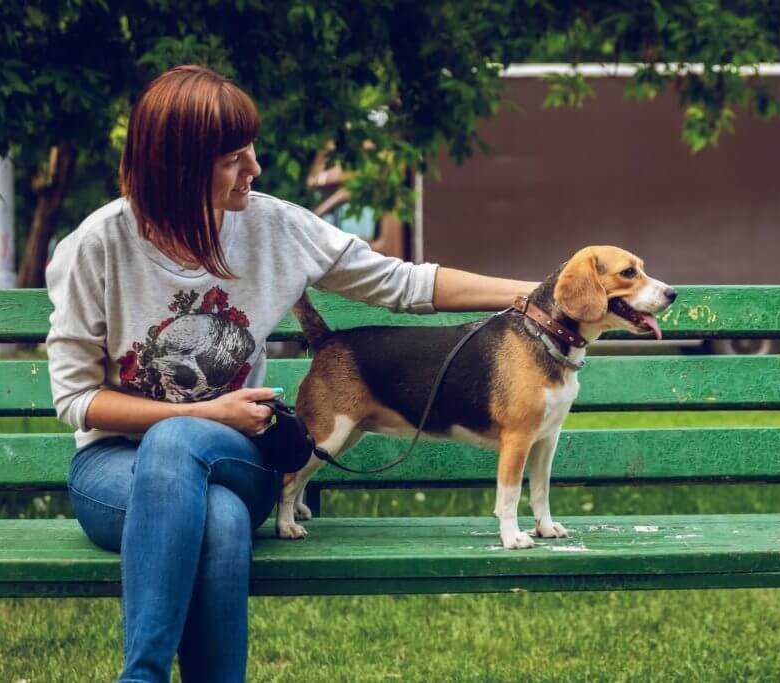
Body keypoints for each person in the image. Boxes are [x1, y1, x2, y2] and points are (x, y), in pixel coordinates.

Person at [45, 63, 539, 682]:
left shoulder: (274, 226)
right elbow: (76, 400)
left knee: (190, 460)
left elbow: (405, 284)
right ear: (175, 166)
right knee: (219, 521)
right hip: (115, 471)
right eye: (233, 158)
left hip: (239, 453)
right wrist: (198, 412)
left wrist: (541, 292)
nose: (254, 169)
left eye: (251, 151)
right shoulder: (97, 247)